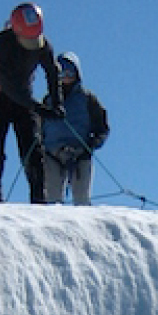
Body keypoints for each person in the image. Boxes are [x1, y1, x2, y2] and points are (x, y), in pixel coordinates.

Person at [0, 3, 60, 204]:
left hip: (25, 103)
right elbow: (7, 84)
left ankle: (39, 200)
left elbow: (52, 71)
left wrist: (57, 102)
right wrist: (38, 108)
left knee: (33, 151)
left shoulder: (42, 45)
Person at [40, 52, 110, 206]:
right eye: (61, 72)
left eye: (69, 72)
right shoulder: (48, 100)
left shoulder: (87, 99)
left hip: (80, 153)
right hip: (52, 153)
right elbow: (38, 125)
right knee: (51, 199)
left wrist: (93, 143)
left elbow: (102, 126)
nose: (65, 77)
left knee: (81, 200)